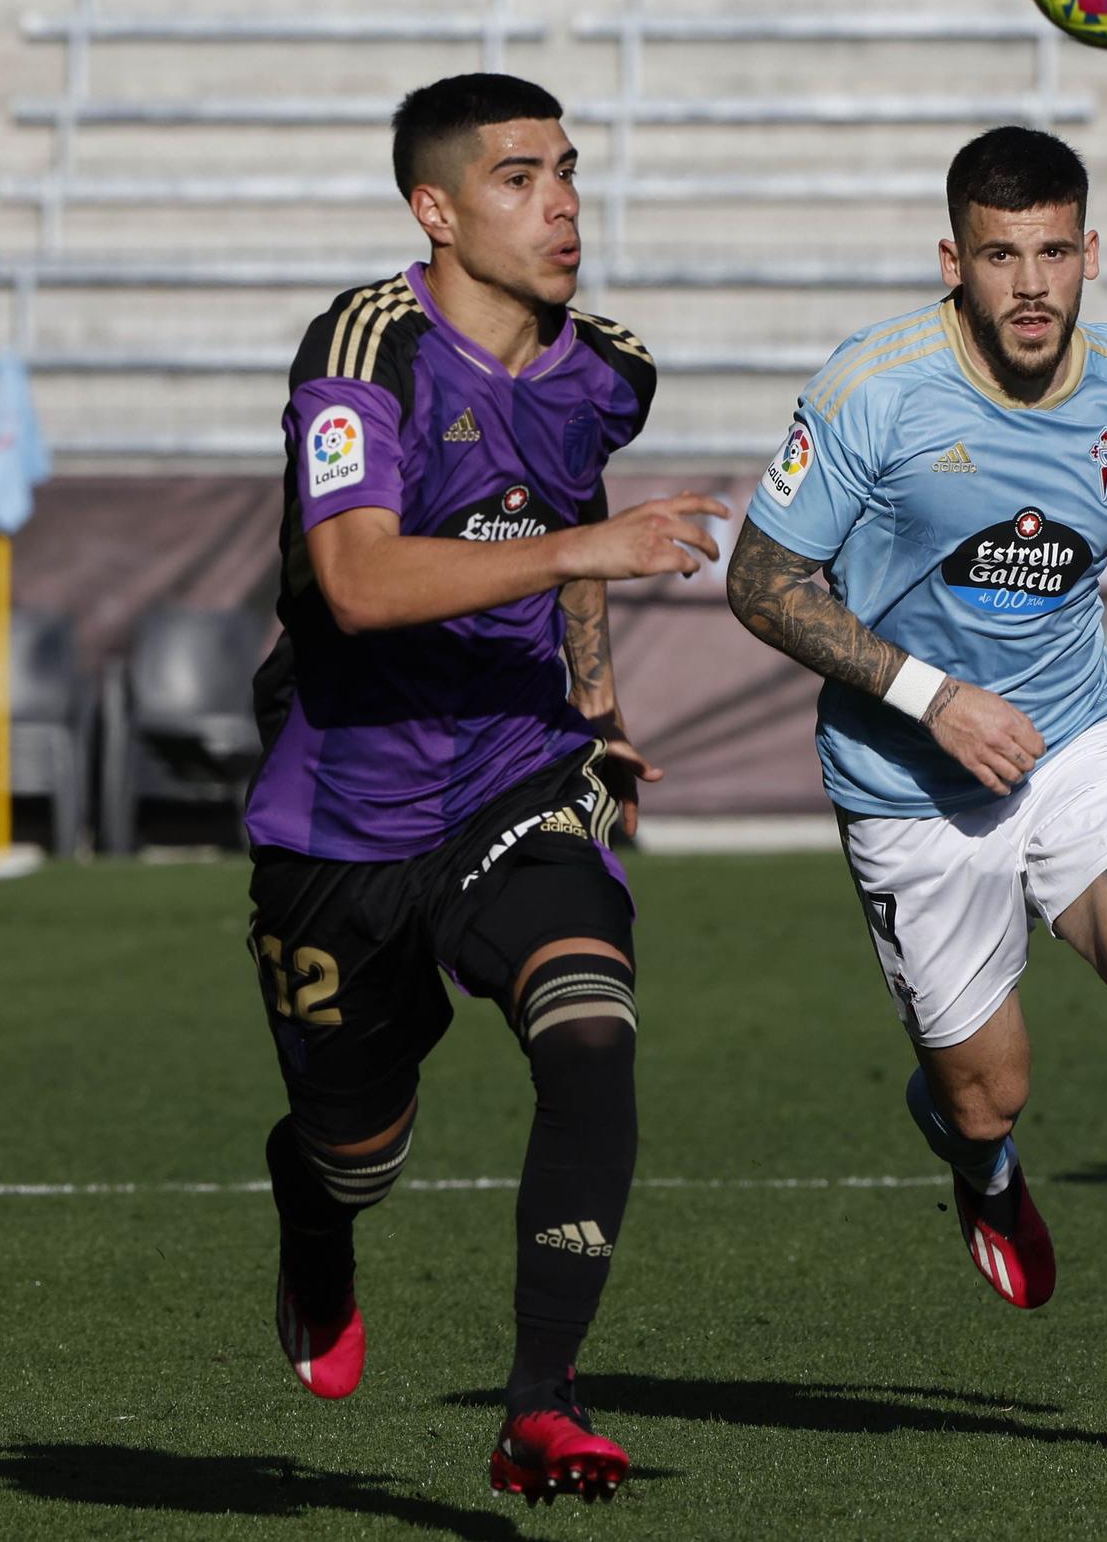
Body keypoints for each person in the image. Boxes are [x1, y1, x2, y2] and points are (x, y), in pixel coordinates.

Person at [725, 126, 1107, 1430]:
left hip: (1078, 743)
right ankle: (978, 1157)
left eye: (1057, 250)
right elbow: (761, 583)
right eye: (1003, 255)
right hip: (905, 777)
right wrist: (932, 697)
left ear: (1091, 250)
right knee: (989, 1085)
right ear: (956, 260)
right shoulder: (874, 388)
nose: (1034, 283)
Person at [242, 72, 728, 1503]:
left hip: (522, 776)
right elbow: (360, 575)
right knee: (356, 1148)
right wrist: (584, 558)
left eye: (568, 170)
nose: (563, 202)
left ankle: (538, 1402)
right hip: (341, 818)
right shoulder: (363, 344)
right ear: (435, 209)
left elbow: (569, 502)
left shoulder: (610, 367)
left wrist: (595, 700)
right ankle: (314, 1221)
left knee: (591, 1035)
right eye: (519, 178)